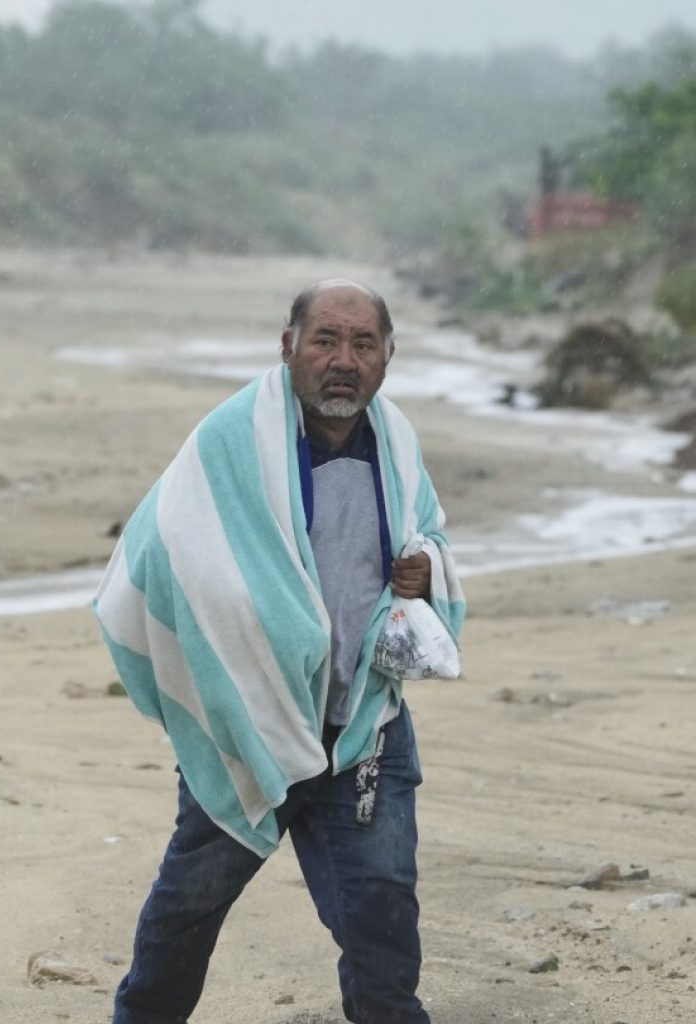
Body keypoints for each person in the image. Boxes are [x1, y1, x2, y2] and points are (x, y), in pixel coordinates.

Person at [94, 279, 465, 1024]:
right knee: (186, 913)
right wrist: (250, 645)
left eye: (363, 344)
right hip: (249, 723)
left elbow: (428, 535)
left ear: (389, 357)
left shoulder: (395, 443)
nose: (343, 360)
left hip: (362, 726)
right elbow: (158, 553)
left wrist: (424, 570)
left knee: (382, 919)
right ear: (288, 346)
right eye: (325, 339)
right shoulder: (231, 440)